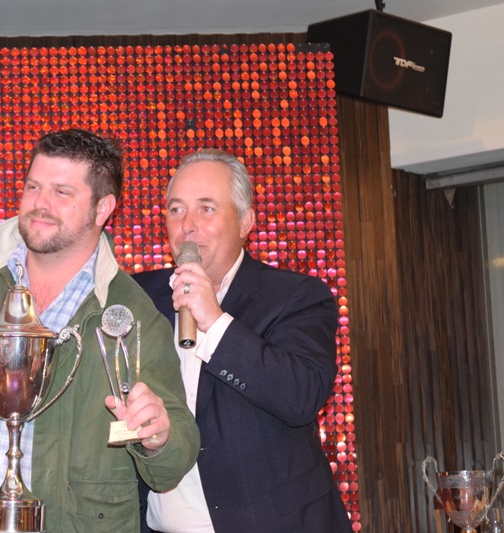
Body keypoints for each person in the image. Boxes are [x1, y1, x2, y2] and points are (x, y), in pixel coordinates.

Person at [0, 128, 200, 533]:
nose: (40, 204)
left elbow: (174, 461)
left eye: (62, 192)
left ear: (102, 208)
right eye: (33, 186)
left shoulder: (132, 313)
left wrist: (158, 436)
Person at [133, 149, 352, 532]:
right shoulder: (138, 297)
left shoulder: (295, 296)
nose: (188, 225)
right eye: (176, 209)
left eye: (206, 208)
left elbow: (301, 396)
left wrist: (215, 322)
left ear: (245, 221)